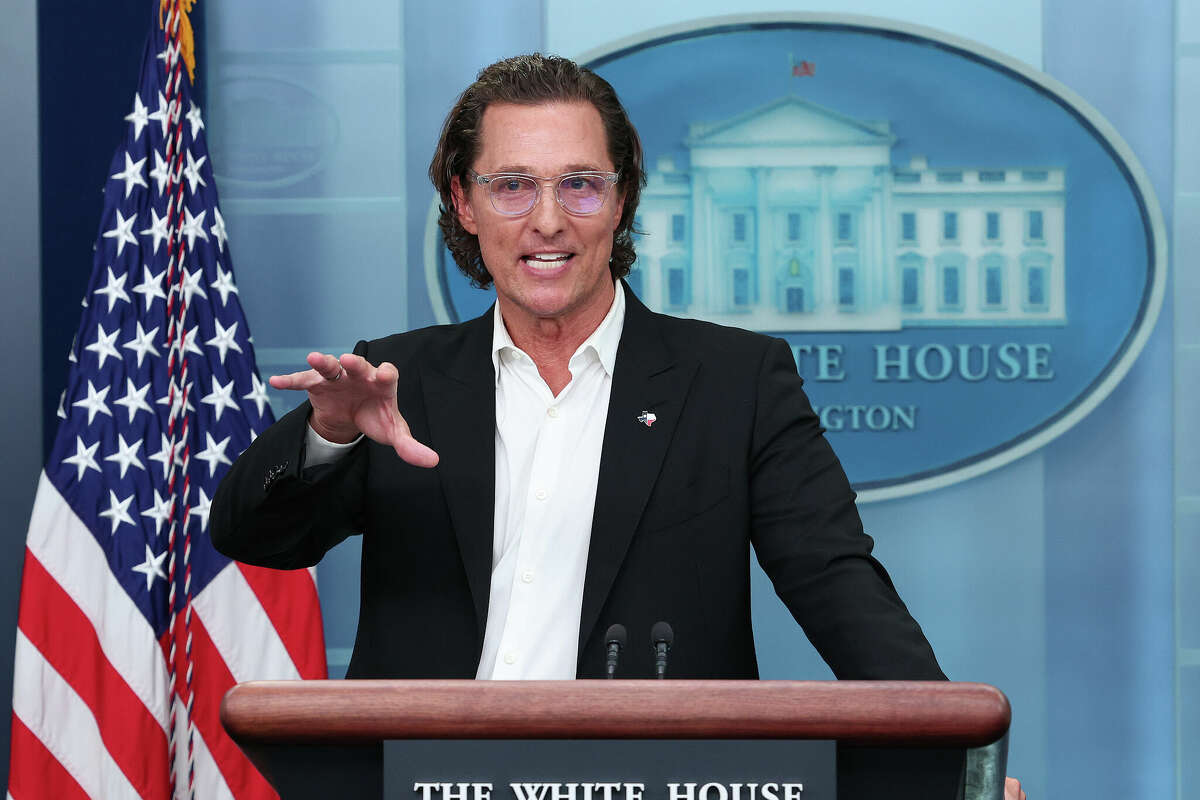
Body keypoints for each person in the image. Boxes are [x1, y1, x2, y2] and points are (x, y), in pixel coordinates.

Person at [210, 54, 1024, 800]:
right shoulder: (397, 380)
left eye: (580, 184)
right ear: (463, 202)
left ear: (622, 199)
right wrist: (331, 435)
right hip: (424, 780)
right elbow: (254, 535)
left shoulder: (735, 382)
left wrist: (955, 772)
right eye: (513, 185)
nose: (549, 221)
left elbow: (839, 586)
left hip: (660, 782)